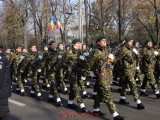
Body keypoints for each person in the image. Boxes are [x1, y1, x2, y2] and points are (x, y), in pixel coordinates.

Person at [0, 44, 11, 120]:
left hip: (1, 90)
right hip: (3, 89)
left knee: (3, 113)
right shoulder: (3, 58)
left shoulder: (1, 60)